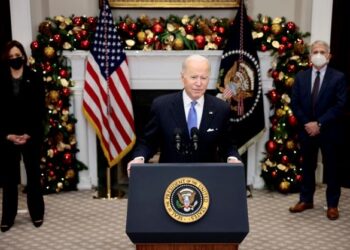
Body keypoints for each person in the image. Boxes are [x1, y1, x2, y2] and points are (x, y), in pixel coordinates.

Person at [127, 54, 241, 175]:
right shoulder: (161, 106)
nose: (199, 83)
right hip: (170, 177)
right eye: (194, 77)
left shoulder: (221, 108)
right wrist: (139, 158)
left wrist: (233, 159)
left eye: (204, 78)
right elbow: (148, 142)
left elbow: (228, 145)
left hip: (207, 178)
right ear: (182, 77)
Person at [289, 40, 347, 220]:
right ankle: (306, 199)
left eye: (323, 52)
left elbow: (340, 105)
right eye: (315, 51)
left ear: (329, 56)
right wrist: (308, 123)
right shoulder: (301, 77)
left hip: (329, 130)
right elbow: (295, 103)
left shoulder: (338, 77)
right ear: (310, 56)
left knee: (332, 168)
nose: (319, 55)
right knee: (307, 166)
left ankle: (332, 205)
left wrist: (319, 123)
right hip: (307, 130)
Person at [0, 40, 46, 232]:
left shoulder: (34, 77)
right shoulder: (0, 79)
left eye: (17, 56)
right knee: (9, 179)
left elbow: (39, 109)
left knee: (33, 176)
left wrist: (29, 134)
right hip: (8, 136)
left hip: (30, 134)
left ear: (23, 57)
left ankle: (37, 213)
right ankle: (8, 217)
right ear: (6, 59)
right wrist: (8, 135)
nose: (15, 59)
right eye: (11, 57)